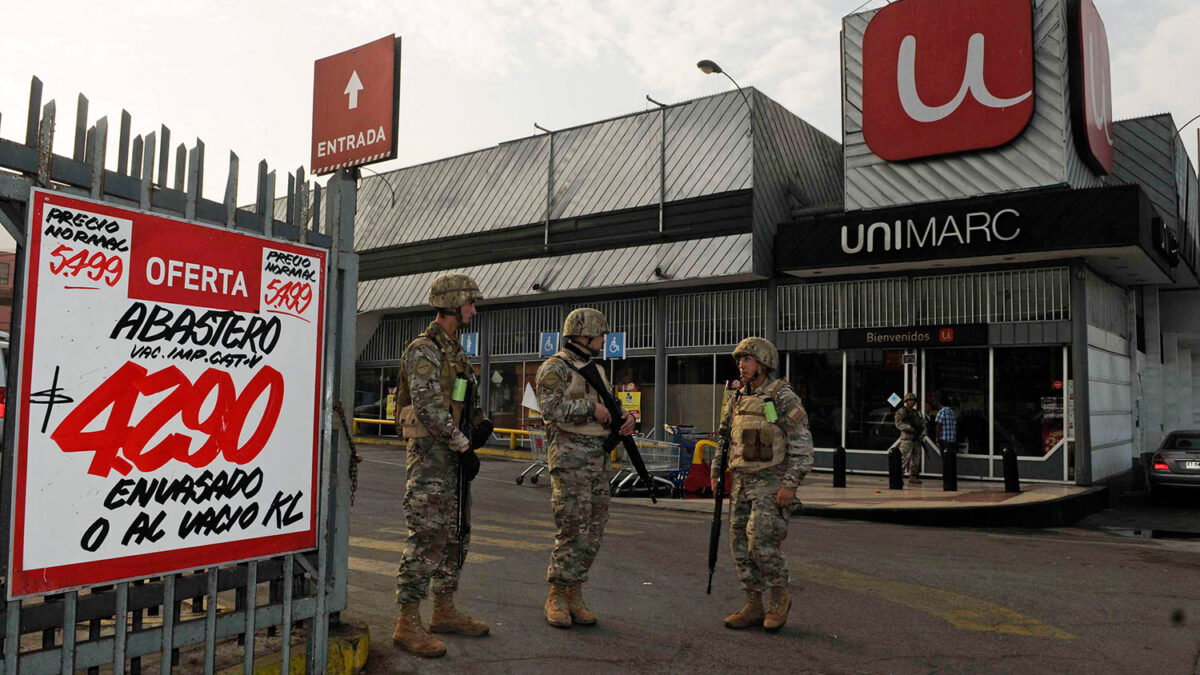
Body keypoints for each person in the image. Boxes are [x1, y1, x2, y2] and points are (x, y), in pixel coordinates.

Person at [392, 273, 489, 658]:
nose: (474, 310)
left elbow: (460, 398)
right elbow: (429, 406)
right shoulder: (424, 349)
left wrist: (479, 424)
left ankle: (444, 609)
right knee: (427, 536)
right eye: (470, 303)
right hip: (432, 459)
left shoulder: (455, 351)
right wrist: (462, 444)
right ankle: (406, 621)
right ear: (452, 304)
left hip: (451, 456)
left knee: (455, 534)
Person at [536, 308, 636, 628]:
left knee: (593, 532)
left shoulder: (598, 371)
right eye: (600, 334)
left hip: (598, 461)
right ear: (583, 335)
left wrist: (625, 421)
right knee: (571, 530)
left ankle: (575, 592)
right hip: (570, 461)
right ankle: (556, 595)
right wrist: (591, 409)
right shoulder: (555, 368)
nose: (604, 340)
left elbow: (611, 409)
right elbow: (550, 410)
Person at [713, 337, 813, 631]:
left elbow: (801, 443)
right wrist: (717, 470)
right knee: (740, 547)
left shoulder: (781, 396)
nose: (741, 365)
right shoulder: (737, 397)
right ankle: (753, 604)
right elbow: (725, 435)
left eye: (747, 359)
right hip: (741, 482)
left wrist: (790, 485)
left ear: (763, 363)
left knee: (761, 542)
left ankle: (779, 598)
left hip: (771, 482)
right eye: (740, 360)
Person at [894, 392, 925, 484]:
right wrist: (909, 428)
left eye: (913, 400)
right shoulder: (901, 412)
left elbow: (923, 424)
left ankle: (913, 476)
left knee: (916, 459)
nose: (912, 402)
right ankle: (899, 476)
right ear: (906, 401)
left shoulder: (917, 413)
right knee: (904, 458)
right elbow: (898, 423)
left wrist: (923, 433)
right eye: (910, 400)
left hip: (916, 438)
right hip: (907, 438)